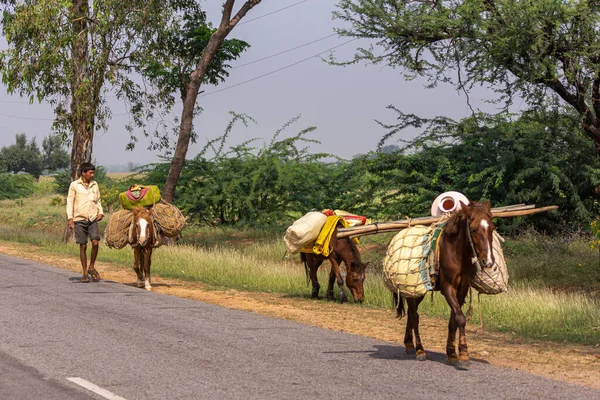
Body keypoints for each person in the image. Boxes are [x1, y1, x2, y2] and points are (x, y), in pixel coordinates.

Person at [66, 162, 104, 282]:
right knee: (83, 245)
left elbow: (98, 200)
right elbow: (70, 201)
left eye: (93, 173)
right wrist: (70, 218)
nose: (92, 175)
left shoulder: (94, 184)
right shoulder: (74, 185)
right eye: (90, 173)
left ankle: (91, 266)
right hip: (79, 219)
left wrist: (100, 212)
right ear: (83, 173)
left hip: (92, 218)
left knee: (95, 242)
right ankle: (84, 273)